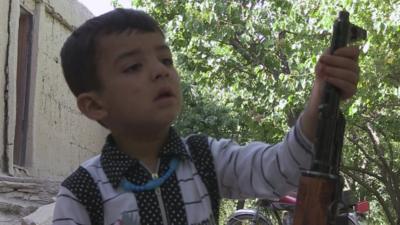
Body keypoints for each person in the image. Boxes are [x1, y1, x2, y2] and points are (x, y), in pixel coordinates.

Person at [52, 8, 360, 225]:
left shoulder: (206, 158)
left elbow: (281, 169)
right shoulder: (81, 193)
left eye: (165, 59)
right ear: (94, 106)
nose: (160, 71)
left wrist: (320, 97)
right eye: (133, 66)